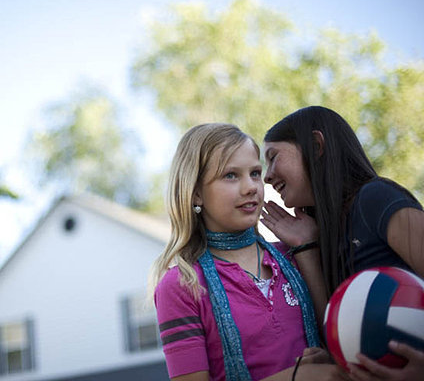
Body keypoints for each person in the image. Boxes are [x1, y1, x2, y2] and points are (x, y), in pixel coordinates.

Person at [149, 123, 347, 381]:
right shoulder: (181, 285)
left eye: (255, 173)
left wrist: (306, 249)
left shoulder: (293, 254)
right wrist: (299, 376)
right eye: (231, 175)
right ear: (196, 193)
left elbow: (341, 346)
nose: (251, 187)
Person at [261, 106, 424, 381]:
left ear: (315, 145)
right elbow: (340, 329)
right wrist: (307, 246)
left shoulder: (375, 198)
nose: (266, 176)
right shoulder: (326, 235)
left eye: (273, 157)